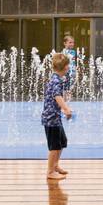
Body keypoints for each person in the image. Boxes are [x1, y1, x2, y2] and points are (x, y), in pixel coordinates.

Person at [41, 52, 75, 180]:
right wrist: (66, 109)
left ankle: (55, 166)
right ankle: (50, 172)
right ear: (66, 67)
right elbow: (57, 96)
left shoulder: (56, 78)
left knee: (61, 142)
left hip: (55, 118)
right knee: (54, 146)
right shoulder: (56, 80)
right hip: (51, 119)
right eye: (68, 66)